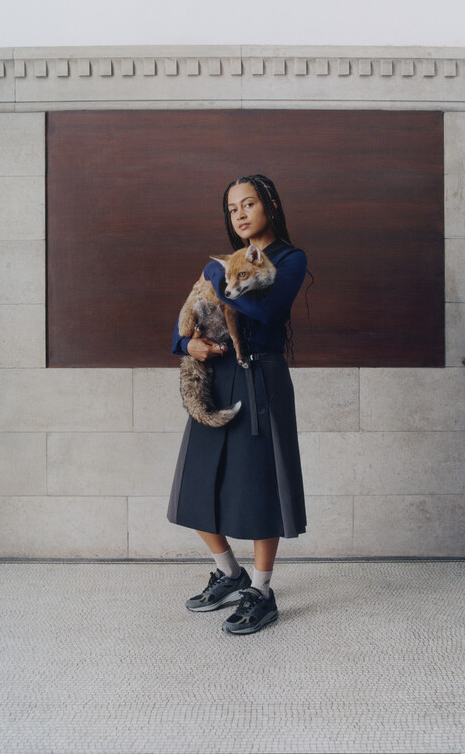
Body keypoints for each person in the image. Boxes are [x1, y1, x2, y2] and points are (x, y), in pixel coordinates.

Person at [167, 174, 307, 635]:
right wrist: (188, 346)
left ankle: (262, 591)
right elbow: (184, 322)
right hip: (216, 375)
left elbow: (265, 310)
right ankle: (230, 573)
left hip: (261, 374)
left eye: (248, 204)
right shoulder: (226, 263)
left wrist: (215, 275)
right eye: (232, 209)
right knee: (197, 481)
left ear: (271, 204)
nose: (240, 214)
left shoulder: (289, 258)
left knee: (260, 484)